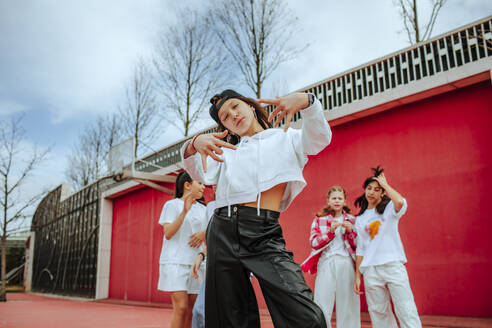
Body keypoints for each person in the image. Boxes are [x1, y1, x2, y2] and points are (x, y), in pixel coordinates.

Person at [180, 89, 332, 327]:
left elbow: (319, 139)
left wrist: (307, 102)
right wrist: (194, 144)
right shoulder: (227, 153)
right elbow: (197, 171)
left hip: (262, 232)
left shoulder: (286, 138)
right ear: (226, 128)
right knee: (230, 318)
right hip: (222, 231)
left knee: (305, 316)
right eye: (225, 117)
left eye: (235, 106)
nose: (233, 115)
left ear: (249, 106)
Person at [353, 166, 421, 328]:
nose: (372, 192)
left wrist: (386, 185)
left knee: (405, 307)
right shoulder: (360, 219)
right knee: (378, 311)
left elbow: (399, 201)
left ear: (383, 193)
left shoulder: (389, 210)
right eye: (369, 188)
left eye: (377, 189)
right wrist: (358, 276)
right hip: (370, 270)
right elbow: (361, 249)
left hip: (392, 265)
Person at [301, 186, 360, 327]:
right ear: (328, 201)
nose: (337, 201)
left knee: (348, 302)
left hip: (346, 261)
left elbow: (359, 245)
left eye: (340, 198)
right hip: (326, 261)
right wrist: (330, 232)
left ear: (345, 201)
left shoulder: (352, 220)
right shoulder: (319, 219)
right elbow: (314, 243)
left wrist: (351, 231)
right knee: (322, 300)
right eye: (334, 198)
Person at [158, 171, 207, 328]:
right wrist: (184, 212)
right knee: (181, 308)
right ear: (187, 185)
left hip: (196, 265)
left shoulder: (203, 209)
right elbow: (168, 233)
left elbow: (211, 233)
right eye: (199, 183)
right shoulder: (171, 205)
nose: (203, 187)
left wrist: (203, 233)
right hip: (175, 262)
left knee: (191, 311)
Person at [191, 185, 217, 328]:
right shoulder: (211, 207)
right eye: (214, 184)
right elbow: (211, 240)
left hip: (237, 266)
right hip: (215, 265)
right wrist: (201, 255)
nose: (215, 187)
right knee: (200, 311)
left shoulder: (242, 204)